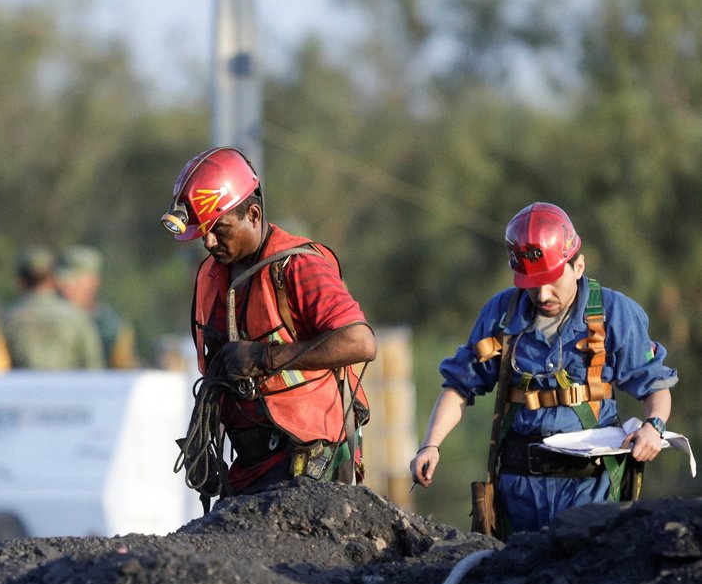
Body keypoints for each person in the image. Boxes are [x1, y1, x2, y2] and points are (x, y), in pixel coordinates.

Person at [409, 202, 676, 536]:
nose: (542, 294)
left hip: (589, 487)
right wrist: (430, 445)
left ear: (578, 265)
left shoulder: (615, 313)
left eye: (551, 281)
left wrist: (653, 427)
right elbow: (459, 387)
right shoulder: (502, 314)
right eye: (531, 284)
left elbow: (655, 387)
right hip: (519, 490)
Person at [161, 146, 377, 502]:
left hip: (309, 457)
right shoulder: (209, 276)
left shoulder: (297, 266)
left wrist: (265, 357)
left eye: (219, 229)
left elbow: (360, 342)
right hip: (248, 463)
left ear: (254, 214)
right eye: (203, 233)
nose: (209, 242)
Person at [0, 246, 105, 370]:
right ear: (52, 279)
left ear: (19, 281)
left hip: (23, 389)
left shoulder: (5, 320)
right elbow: (94, 370)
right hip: (69, 389)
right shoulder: (78, 318)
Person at [55, 245, 140, 369]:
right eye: (62, 281)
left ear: (93, 282)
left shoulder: (111, 325)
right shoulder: (46, 318)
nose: (65, 287)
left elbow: (124, 369)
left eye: (75, 281)